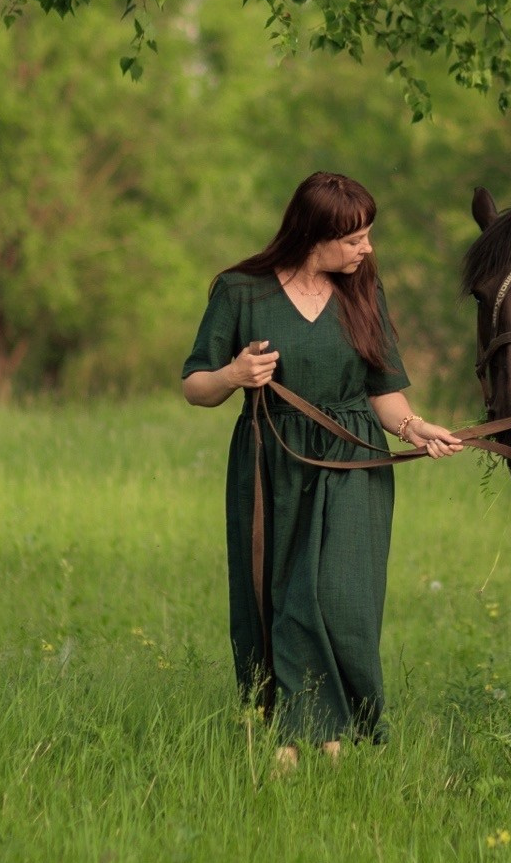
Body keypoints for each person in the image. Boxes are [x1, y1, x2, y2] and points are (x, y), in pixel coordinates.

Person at [180, 172, 461, 769]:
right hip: (271, 459)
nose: (367, 250)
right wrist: (232, 377)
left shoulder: (363, 294)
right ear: (316, 234)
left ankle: (339, 728)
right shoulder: (240, 291)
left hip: (354, 461)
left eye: (368, 237)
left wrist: (417, 429)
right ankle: (291, 738)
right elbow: (195, 387)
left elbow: (385, 394)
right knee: (279, 597)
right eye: (356, 239)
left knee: (341, 600)